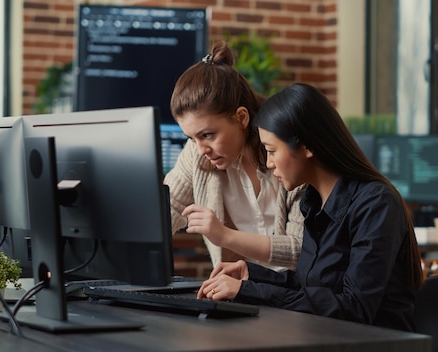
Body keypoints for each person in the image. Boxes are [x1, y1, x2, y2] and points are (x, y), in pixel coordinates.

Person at [196, 83, 423, 332]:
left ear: (307, 146)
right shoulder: (313, 201)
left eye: (271, 151)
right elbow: (312, 285)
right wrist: (252, 275)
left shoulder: (375, 203)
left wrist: (249, 291)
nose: (269, 163)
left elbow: (355, 308)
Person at [164, 40, 306, 270]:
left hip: (296, 297)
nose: (201, 149)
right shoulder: (197, 154)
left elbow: (300, 249)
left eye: (208, 135)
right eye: (192, 138)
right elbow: (166, 209)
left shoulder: (288, 152)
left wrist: (224, 235)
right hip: (243, 293)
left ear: (241, 118)